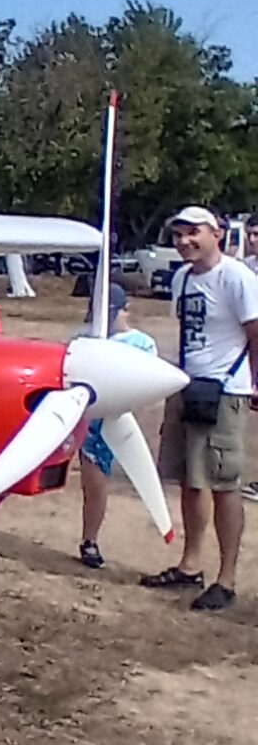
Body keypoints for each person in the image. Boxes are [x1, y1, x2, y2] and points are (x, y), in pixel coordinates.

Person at [141, 205, 258, 613]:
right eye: (178, 234)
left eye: (193, 233)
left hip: (225, 391)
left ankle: (226, 578)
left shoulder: (237, 277)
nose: (184, 241)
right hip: (189, 386)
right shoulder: (182, 279)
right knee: (191, 479)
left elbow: (255, 332)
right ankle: (191, 565)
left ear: (216, 234)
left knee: (224, 484)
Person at [76, 287, 159, 567]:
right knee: (93, 484)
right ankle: (89, 539)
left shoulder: (142, 343)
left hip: (119, 420)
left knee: (107, 481)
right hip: (90, 425)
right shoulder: (85, 339)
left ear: (126, 309)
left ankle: (92, 537)